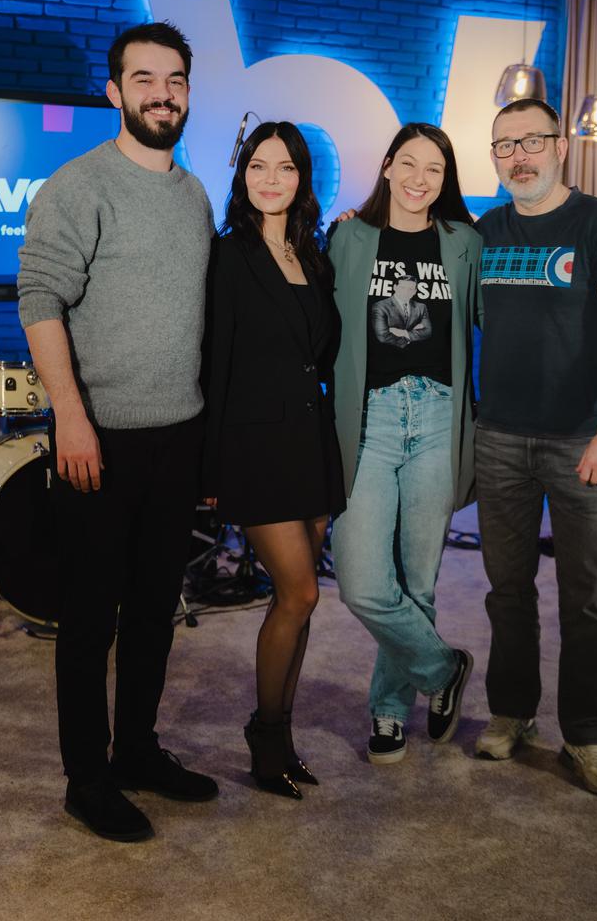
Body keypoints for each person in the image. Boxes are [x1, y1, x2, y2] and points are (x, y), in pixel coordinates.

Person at [17, 21, 219, 842]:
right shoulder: (80, 184)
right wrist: (70, 416)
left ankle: (136, 750)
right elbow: (39, 299)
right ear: (114, 92)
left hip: (179, 435)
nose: (161, 94)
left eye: (174, 80)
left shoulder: (194, 193)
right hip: (98, 437)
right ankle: (86, 779)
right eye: (144, 79)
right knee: (89, 618)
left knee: (153, 611)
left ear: (187, 92)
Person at [474, 97, 597, 796]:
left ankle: (587, 735)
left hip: (582, 442)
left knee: (586, 600)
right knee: (507, 593)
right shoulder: (485, 230)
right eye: (504, 145)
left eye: (531, 141)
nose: (518, 156)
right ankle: (512, 711)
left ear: (560, 147)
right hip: (498, 437)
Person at [328, 123, 482, 765]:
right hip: (371, 418)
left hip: (438, 417)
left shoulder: (465, 242)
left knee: (419, 580)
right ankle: (444, 668)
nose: (420, 179)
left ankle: (390, 710)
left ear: (446, 180)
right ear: (387, 166)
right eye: (409, 164)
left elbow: (492, 319)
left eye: (435, 170)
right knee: (363, 583)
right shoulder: (348, 237)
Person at [202, 121, 345, 800]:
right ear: (243, 175)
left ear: (301, 178)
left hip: (309, 442)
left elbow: (323, 351)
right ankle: (264, 737)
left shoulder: (312, 254)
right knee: (300, 593)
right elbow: (215, 363)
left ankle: (281, 736)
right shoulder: (228, 254)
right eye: (258, 166)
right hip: (255, 448)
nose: (270, 179)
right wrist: (210, 469)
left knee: (301, 602)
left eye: (284, 167)